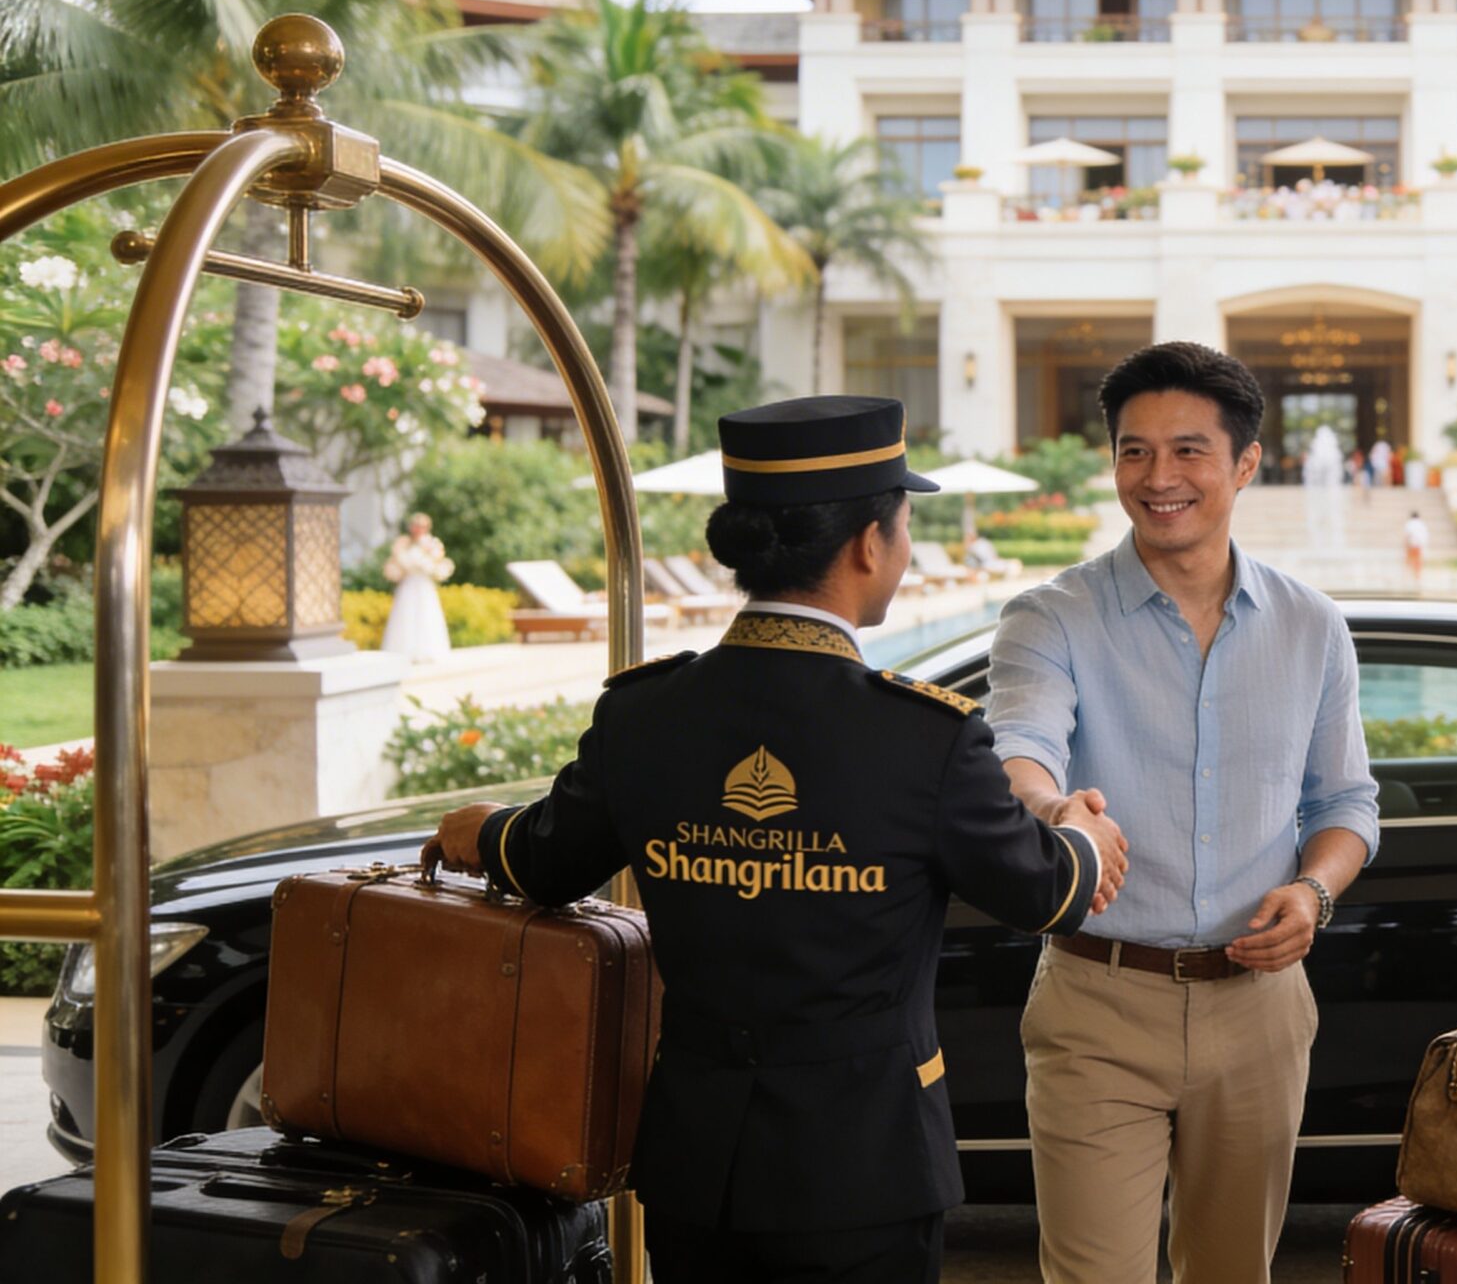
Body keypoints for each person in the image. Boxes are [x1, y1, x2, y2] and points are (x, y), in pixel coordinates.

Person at [432, 396, 1125, 1284]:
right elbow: (1048, 894)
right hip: (863, 1171)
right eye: (904, 525)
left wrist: (474, 832)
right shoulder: (924, 737)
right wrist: (1081, 827)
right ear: (870, 545)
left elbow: (540, 859)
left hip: (695, 1166)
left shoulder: (646, 713)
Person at [988, 342, 1380, 1284]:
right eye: (1134, 452)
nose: (1158, 479)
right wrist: (1056, 809)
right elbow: (1019, 750)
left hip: (1260, 1011)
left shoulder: (1311, 624)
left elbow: (1346, 804)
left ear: (1246, 464)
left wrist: (1314, 893)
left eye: (1189, 451)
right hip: (1096, 1004)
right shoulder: (1049, 617)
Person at [379, 512, 454, 663]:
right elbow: (401, 563)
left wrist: (426, 563)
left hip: (424, 585)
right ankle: (403, 651)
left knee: (426, 613)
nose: (418, 529)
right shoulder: (403, 543)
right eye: (416, 526)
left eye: (422, 526)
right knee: (406, 614)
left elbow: (435, 564)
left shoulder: (432, 544)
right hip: (408, 584)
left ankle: (427, 651)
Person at [1402, 508, 1428, 587]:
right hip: (1419, 546)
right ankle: (1417, 580)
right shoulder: (1422, 524)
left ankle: (1407, 580)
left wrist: (1405, 546)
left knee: (1409, 563)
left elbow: (1407, 536)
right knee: (1417, 564)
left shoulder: (1409, 524)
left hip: (1411, 546)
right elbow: (1425, 537)